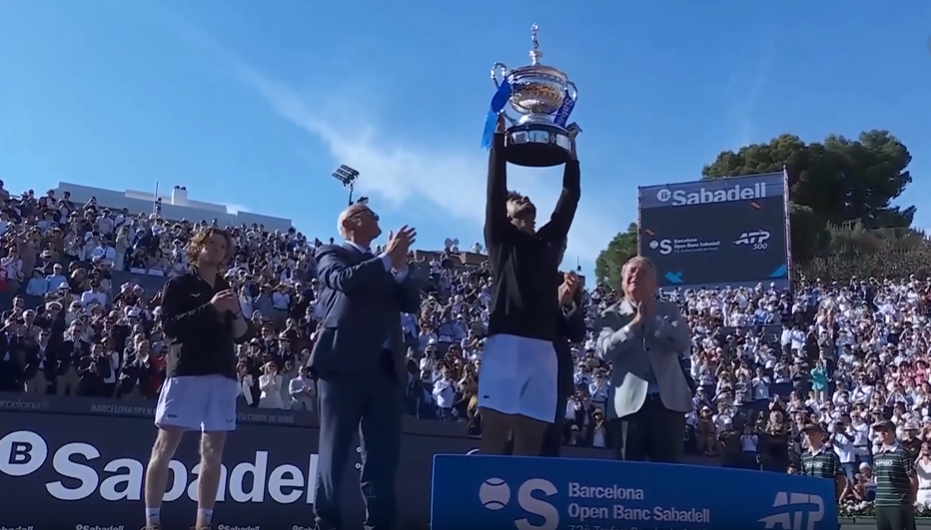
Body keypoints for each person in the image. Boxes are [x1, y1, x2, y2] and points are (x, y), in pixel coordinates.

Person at [310, 202, 421, 530]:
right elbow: (342, 280)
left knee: (382, 455)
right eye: (370, 214)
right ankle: (327, 522)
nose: (377, 219)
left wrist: (399, 268)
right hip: (342, 365)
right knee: (334, 451)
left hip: (385, 370)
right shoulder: (332, 253)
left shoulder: (385, 265)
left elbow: (411, 303)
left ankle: (380, 523)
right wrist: (386, 259)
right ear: (350, 223)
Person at [478, 114, 581, 456]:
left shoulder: (548, 242)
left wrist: (571, 150)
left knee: (532, 438)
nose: (523, 199)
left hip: (544, 349)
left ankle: (525, 492)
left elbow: (570, 197)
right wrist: (499, 140)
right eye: (516, 200)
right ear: (505, 216)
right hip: (505, 343)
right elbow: (495, 189)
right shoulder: (500, 239)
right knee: (495, 435)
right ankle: (486, 491)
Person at [142, 227, 253, 530]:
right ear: (198, 247)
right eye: (211, 243)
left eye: (222, 246)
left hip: (223, 375)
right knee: (164, 447)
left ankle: (203, 524)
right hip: (186, 372)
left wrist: (237, 314)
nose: (217, 249)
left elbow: (241, 335)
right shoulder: (179, 284)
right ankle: (152, 523)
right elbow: (170, 327)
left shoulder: (227, 288)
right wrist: (210, 308)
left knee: (213, 453)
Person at [594, 256, 692, 462]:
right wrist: (634, 325)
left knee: (668, 472)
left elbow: (682, 342)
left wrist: (654, 320)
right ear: (622, 282)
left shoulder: (669, 310)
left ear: (654, 285)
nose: (636, 275)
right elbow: (604, 350)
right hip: (628, 407)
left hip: (668, 406)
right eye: (631, 271)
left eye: (643, 272)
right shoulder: (610, 315)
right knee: (628, 474)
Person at [872, 419, 917, 530]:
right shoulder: (877, 455)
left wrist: (911, 498)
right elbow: (876, 478)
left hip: (899, 503)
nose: (882, 433)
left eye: (885, 430)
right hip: (881, 503)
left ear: (894, 432)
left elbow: (912, 478)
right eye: (879, 431)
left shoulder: (902, 453)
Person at [798, 423, 847, 500]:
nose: (809, 437)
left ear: (821, 436)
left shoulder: (830, 455)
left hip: (826, 498)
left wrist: (836, 499)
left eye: (812, 434)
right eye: (807, 434)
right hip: (809, 498)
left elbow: (841, 479)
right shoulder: (804, 456)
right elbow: (803, 479)